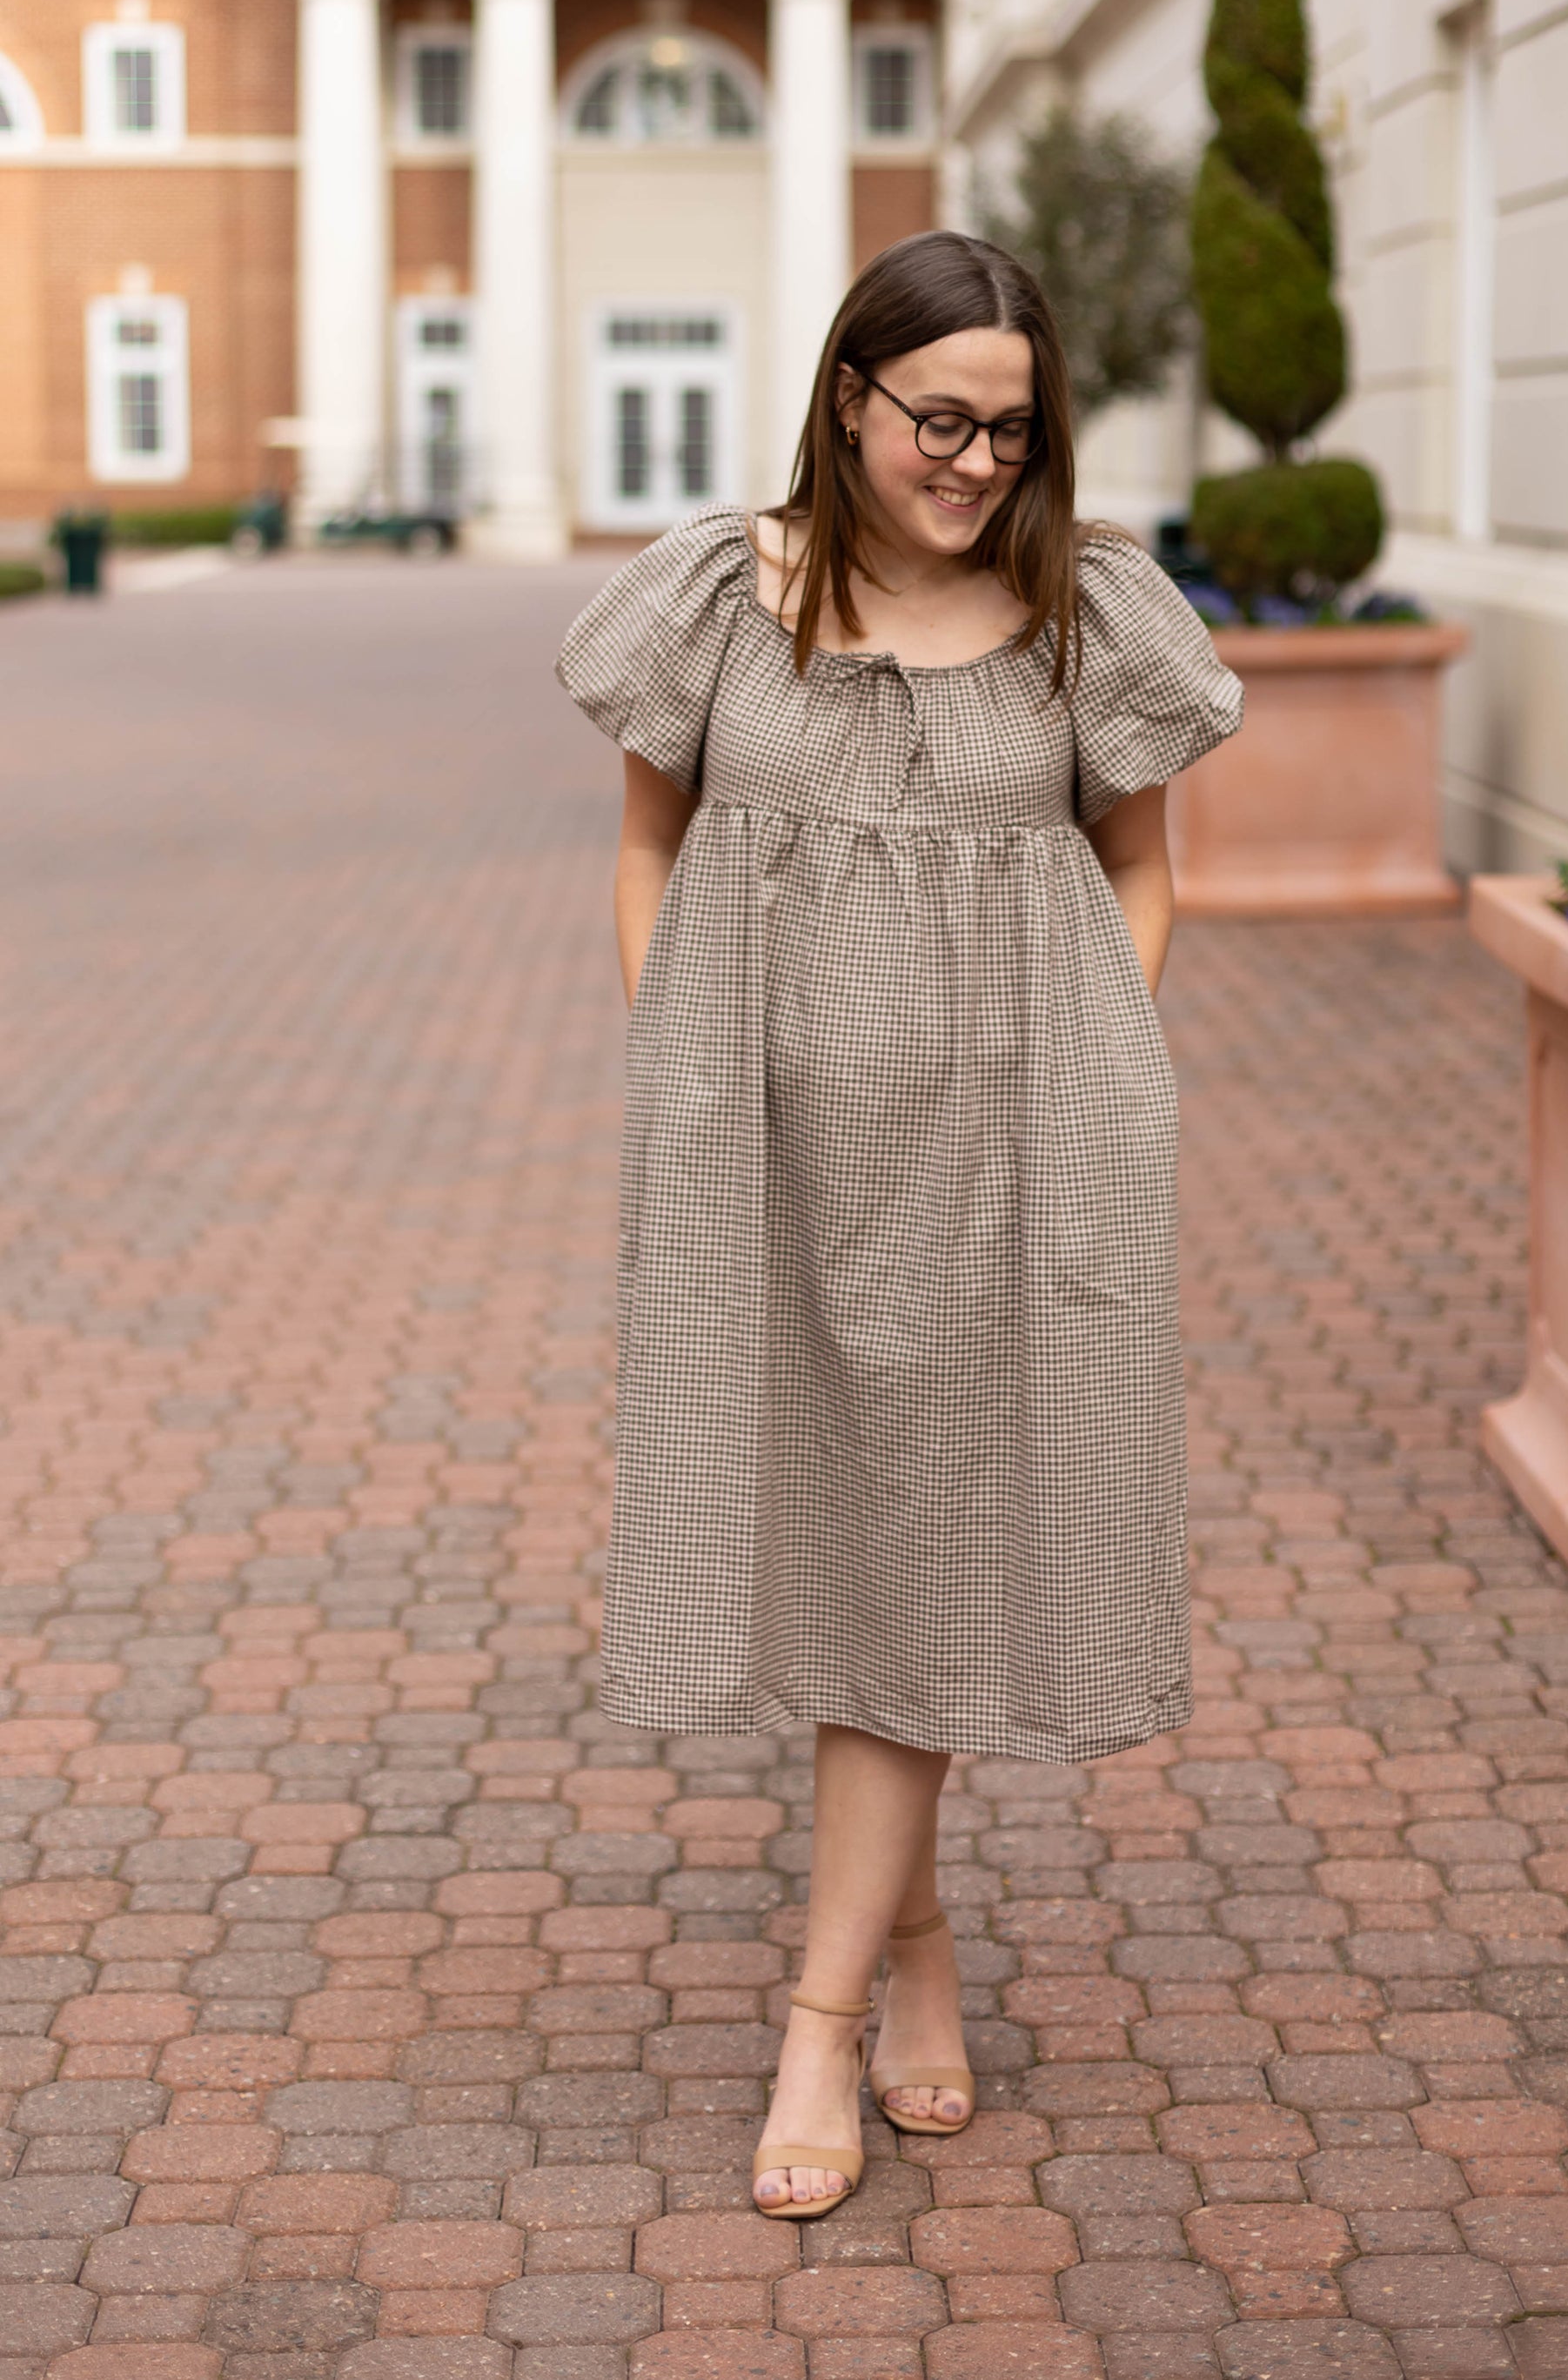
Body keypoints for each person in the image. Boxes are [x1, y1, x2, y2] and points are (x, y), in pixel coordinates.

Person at [557, 230, 1243, 2219]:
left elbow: (1142, 874)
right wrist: (685, 1077)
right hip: (759, 1151)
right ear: (846, 394)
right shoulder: (719, 591)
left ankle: (822, 2015)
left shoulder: (1080, 610)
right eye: (936, 418)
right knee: (843, 1548)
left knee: (929, 1549)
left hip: (1007, 1162)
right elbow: (646, 843)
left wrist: (1079, 1080)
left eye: (1010, 431)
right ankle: (926, 1947)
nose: (970, 462)